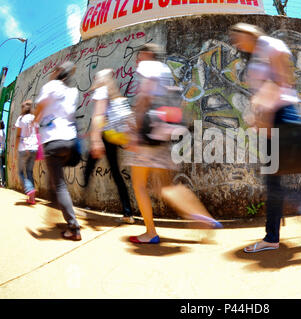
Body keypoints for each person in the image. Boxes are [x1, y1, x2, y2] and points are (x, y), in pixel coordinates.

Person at [126, 43, 222, 244]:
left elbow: (144, 100)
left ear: (148, 54)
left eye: (140, 54)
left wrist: (134, 132)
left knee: (139, 185)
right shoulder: (165, 71)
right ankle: (199, 215)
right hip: (163, 133)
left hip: (146, 135)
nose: (137, 58)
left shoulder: (147, 68)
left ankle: (151, 233)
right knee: (166, 186)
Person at [229, 23, 301, 253]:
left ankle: (272, 237)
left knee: (274, 179)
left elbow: (283, 81)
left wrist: (265, 114)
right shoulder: (257, 54)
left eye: (238, 37)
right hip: (274, 117)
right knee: (276, 178)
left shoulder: (270, 45)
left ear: (249, 34)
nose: (236, 42)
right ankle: (275, 233)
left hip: (280, 116)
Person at [33, 61, 82, 241]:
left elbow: (40, 105)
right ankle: (58, 207)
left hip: (52, 142)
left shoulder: (51, 85)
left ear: (57, 72)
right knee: (56, 182)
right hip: (69, 141)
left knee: (59, 185)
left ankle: (73, 227)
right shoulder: (72, 91)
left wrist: (36, 119)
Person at [84, 69, 135, 224]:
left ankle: (80, 202)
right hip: (114, 137)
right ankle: (128, 212)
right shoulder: (114, 93)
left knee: (88, 168)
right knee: (116, 174)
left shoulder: (100, 91)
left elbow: (98, 116)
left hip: (105, 137)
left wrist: (95, 140)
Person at [15, 101, 39, 204]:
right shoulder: (35, 118)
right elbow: (37, 133)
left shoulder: (20, 119)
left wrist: (16, 148)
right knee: (29, 171)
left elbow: (18, 135)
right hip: (34, 147)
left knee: (20, 172)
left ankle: (29, 189)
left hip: (23, 148)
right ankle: (32, 199)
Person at [0, 120, 5, 187]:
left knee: (0, 167)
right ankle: (3, 182)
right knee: (2, 167)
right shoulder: (3, 132)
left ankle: (2, 182)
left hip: (0, 150)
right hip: (3, 150)